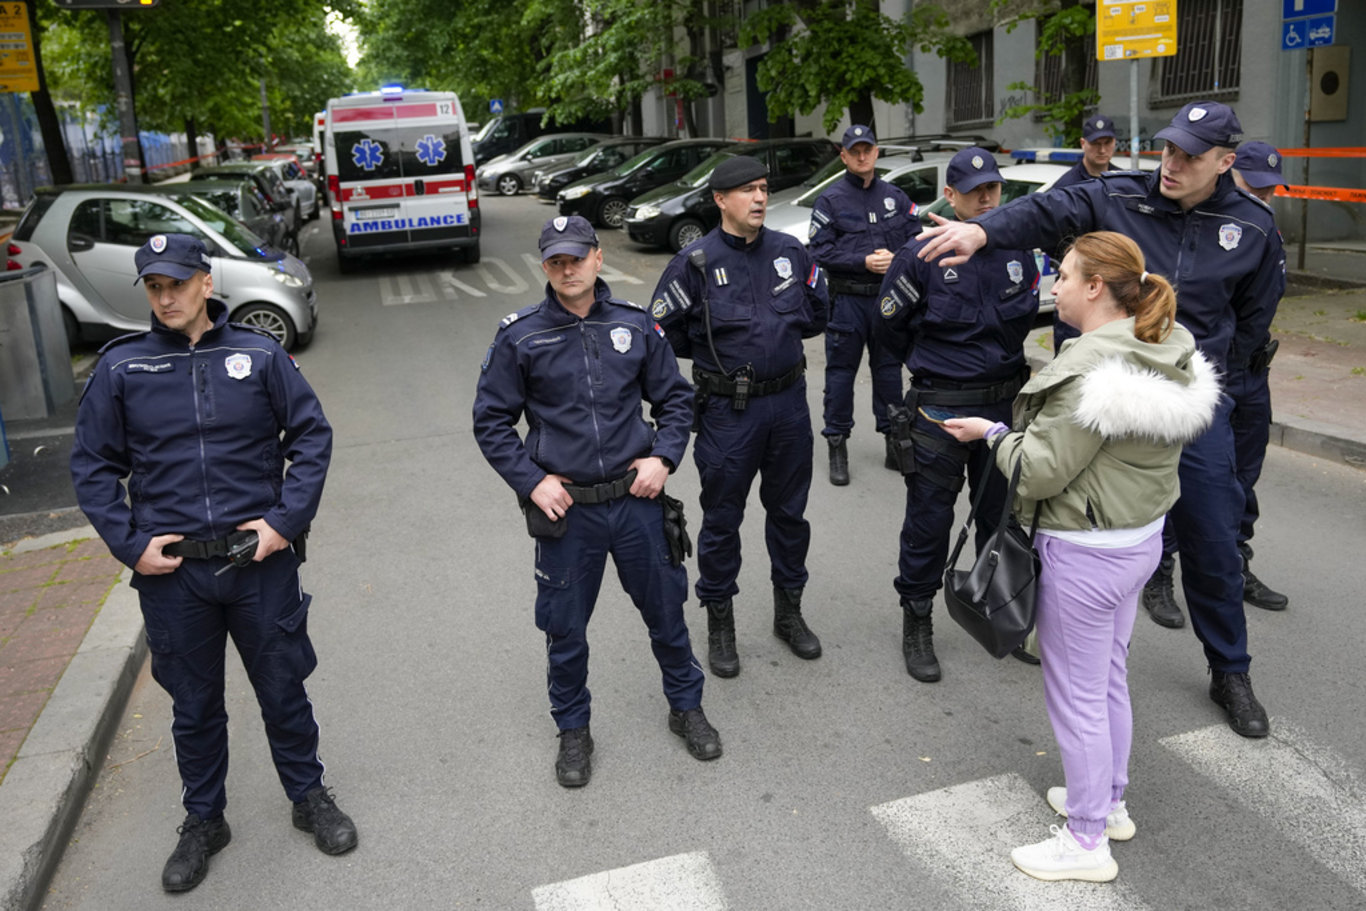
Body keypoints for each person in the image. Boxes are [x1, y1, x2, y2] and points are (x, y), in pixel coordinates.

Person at [913, 101, 1286, 738]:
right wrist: (981, 231)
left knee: (1214, 536)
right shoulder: (1119, 197)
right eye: (1167, 149)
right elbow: (1045, 211)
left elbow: (1252, 325)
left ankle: (1231, 670)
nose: (1171, 163)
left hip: (1180, 408)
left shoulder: (1251, 227)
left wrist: (1218, 391)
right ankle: (1042, 627)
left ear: (1226, 162)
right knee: (1070, 521)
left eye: (1189, 156)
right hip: (1097, 398)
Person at [69, 234, 356, 893]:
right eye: (153, 286)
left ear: (205, 282)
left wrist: (284, 521)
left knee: (283, 686)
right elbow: (90, 466)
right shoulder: (122, 366)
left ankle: (308, 796)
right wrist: (129, 542)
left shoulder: (257, 354)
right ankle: (204, 818)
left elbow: (310, 435)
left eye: (176, 282)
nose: (165, 296)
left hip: (257, 564)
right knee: (193, 705)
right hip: (175, 576)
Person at [944, 231, 1218, 882]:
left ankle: (1087, 840)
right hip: (1136, 537)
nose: (1055, 285)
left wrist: (992, 434)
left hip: (1085, 550)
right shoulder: (1161, 345)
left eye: (1063, 275)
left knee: (1077, 697)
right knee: (1107, 677)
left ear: (1097, 287)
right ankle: (1110, 799)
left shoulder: (1091, 371)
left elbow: (1038, 473)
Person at [472, 215, 720, 789]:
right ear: (545, 266)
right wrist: (532, 482)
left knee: (666, 614)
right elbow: (490, 422)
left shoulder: (635, 326)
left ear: (597, 257)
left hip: (636, 504)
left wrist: (663, 459)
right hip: (568, 513)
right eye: (556, 260)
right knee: (565, 631)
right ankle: (574, 730)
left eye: (577, 257)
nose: (568, 268)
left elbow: (676, 402)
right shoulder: (521, 336)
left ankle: (687, 708)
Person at [650, 156, 829, 679]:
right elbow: (662, 332)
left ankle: (788, 613)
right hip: (729, 411)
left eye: (763, 188)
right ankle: (720, 623)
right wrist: (715, 363)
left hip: (788, 405)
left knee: (790, 514)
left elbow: (819, 311)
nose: (759, 198)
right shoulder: (695, 261)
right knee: (723, 521)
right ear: (720, 200)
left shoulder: (791, 252)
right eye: (747, 190)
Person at [875, 147, 1040, 683]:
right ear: (949, 195)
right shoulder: (919, 254)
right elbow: (888, 330)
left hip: (1002, 406)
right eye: (974, 191)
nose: (987, 197)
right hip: (941, 411)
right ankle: (917, 619)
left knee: (1001, 518)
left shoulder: (1018, 249)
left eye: (993, 187)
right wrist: (939, 376)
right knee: (930, 520)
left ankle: (1000, 610)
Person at [809, 124, 915, 485]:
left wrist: (897, 255)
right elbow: (819, 251)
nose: (861, 155)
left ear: (876, 151)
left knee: (888, 371)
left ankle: (893, 440)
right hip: (848, 300)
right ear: (843, 155)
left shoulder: (896, 197)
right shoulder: (830, 200)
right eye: (854, 150)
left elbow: (916, 241)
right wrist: (863, 262)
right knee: (840, 374)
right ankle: (837, 443)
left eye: (867, 149)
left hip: (886, 301)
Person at [1226, 140, 1291, 610]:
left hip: (1252, 375)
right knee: (1180, 477)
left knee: (1244, 478)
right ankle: (1160, 574)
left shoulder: (1266, 230)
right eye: (1254, 186)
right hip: (1211, 374)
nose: (1263, 196)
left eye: (1269, 189)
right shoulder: (1210, 226)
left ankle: (1236, 566)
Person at [1050, 113, 1123, 353]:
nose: (1102, 149)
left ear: (1114, 143)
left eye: (1107, 142)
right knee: (1074, 360)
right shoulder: (1065, 188)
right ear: (1083, 144)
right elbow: (1052, 239)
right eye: (1095, 143)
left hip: (1116, 291)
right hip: (1078, 289)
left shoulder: (1124, 183)